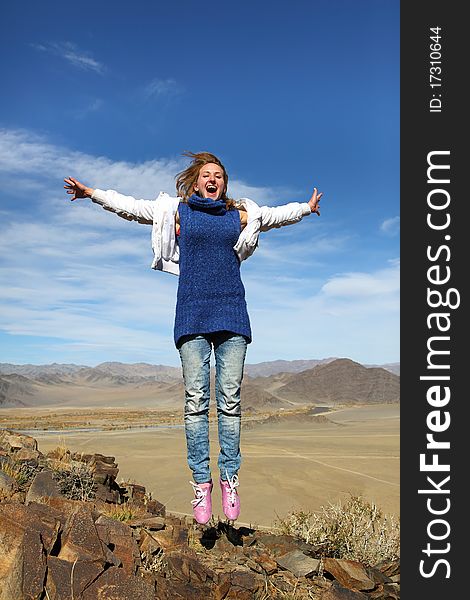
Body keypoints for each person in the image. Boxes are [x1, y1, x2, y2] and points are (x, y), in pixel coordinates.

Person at [64, 151, 323, 525]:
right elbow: (131, 207)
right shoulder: (176, 212)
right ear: (196, 181)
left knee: (230, 400)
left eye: (218, 175)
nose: (213, 179)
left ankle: (229, 479)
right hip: (192, 315)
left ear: (225, 184)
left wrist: (305, 207)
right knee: (196, 400)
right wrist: (92, 194)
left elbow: (275, 216)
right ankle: (202, 483)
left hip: (232, 313)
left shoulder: (240, 214)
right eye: (206, 174)